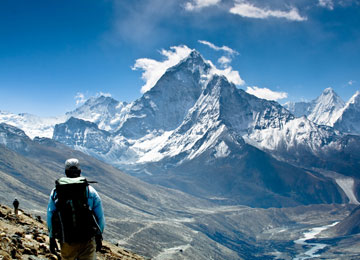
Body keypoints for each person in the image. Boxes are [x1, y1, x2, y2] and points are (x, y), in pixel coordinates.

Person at [47, 158, 105, 260]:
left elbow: (50, 215)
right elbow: (100, 216)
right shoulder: (89, 191)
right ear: (80, 171)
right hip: (87, 240)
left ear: (66, 172)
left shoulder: (56, 191)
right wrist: (99, 236)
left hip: (66, 240)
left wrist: (51, 237)